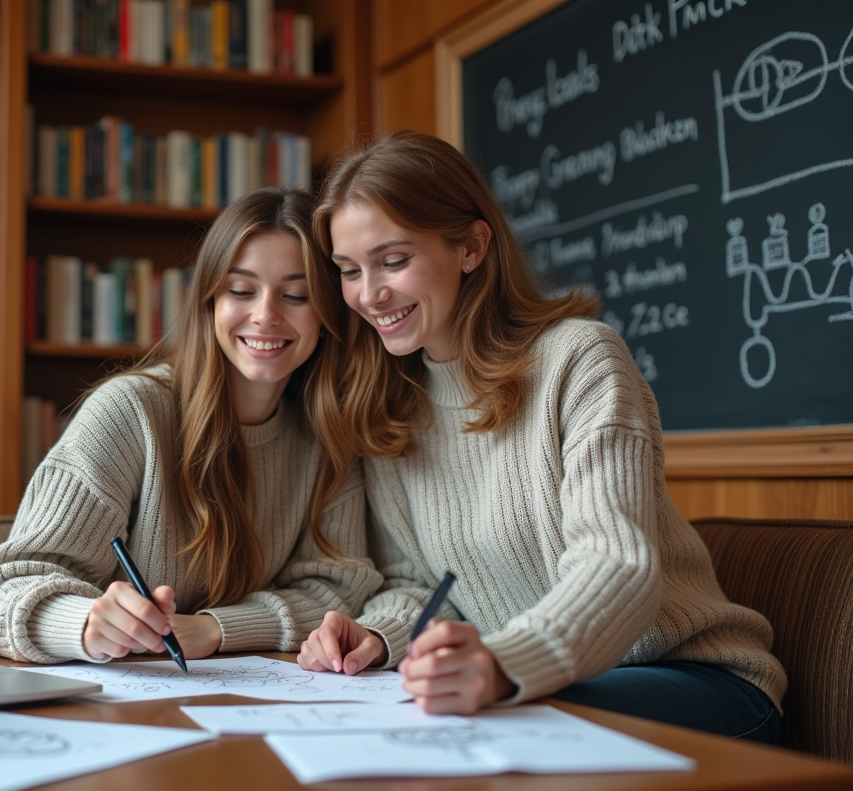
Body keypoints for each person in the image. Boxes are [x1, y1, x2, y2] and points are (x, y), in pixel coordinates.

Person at [296, 130, 786, 743]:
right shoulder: (391, 408)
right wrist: (381, 637)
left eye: (394, 261)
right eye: (349, 271)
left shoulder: (580, 360)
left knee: (484, 737)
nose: (369, 294)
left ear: (472, 247)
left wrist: (502, 665)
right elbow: (419, 585)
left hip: (694, 679)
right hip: (533, 687)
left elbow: (618, 564)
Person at [0, 187, 381, 666]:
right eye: (240, 290)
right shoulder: (129, 412)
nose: (265, 315)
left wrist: (216, 629)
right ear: (208, 301)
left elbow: (337, 592)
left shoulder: (326, 435)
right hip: (108, 704)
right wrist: (84, 623)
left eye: (296, 295)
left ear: (329, 311)